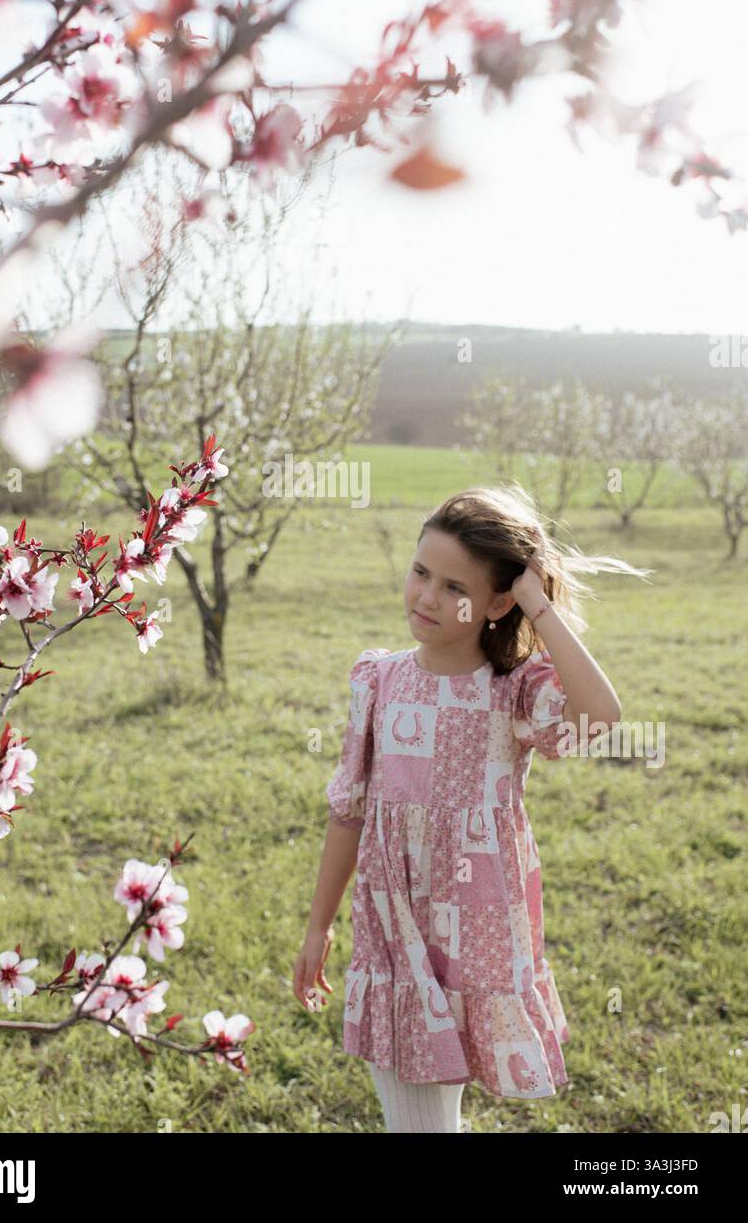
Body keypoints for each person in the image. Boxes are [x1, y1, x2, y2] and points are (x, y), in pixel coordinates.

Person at [293, 483, 652, 1133]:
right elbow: (348, 810)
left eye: (455, 588)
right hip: (394, 935)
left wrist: (540, 606)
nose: (428, 597)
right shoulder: (376, 679)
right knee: (418, 1119)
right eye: (421, 572)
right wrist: (319, 927)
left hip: (472, 937)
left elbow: (601, 715)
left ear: (497, 603)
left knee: (432, 1120)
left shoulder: (514, 694)